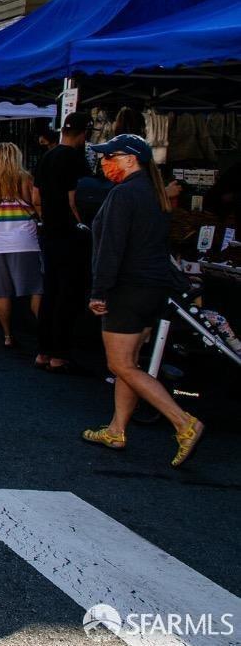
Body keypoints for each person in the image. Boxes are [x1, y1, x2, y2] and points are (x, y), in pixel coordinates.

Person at [81, 134, 203, 467]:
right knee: (130, 363)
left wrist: (99, 291)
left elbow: (111, 248)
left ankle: (183, 422)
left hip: (128, 288)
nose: (104, 163)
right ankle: (117, 429)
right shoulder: (154, 193)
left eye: (110, 157)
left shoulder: (124, 194)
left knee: (120, 364)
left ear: (130, 159)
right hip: (151, 289)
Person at [32, 112, 92, 372]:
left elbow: (36, 197)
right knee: (67, 294)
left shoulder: (47, 157)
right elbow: (74, 200)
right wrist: (81, 225)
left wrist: (47, 218)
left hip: (50, 233)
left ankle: (44, 352)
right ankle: (59, 355)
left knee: (50, 291)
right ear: (84, 134)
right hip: (70, 235)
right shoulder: (75, 160)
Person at [0, 143, 43, 349]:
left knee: (1, 293)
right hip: (25, 241)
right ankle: (44, 333)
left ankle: (7, 335)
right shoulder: (25, 179)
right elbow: (37, 203)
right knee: (36, 289)